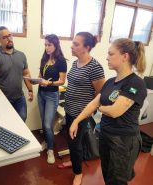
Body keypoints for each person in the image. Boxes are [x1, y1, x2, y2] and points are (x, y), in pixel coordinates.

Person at [69, 38, 147, 185]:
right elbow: (93, 103)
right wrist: (76, 121)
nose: (107, 58)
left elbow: (114, 111)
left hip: (124, 140)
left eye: (111, 54)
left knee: (117, 180)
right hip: (106, 135)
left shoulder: (135, 83)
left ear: (125, 56)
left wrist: (99, 107)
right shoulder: (111, 82)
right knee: (107, 175)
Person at [57, 32, 105, 185]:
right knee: (72, 139)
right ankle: (73, 160)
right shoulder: (75, 63)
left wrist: (88, 110)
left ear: (87, 47)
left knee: (74, 142)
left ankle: (78, 173)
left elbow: (100, 94)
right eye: (73, 43)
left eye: (76, 44)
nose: (72, 46)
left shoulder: (95, 67)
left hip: (81, 113)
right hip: (70, 108)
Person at [0, 26, 33, 122]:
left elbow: (26, 74)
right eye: (5, 37)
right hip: (2, 99)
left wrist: (30, 90)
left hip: (19, 98)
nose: (9, 39)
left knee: (22, 121)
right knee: (6, 123)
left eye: (10, 35)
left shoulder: (21, 55)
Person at [31, 34, 67, 164]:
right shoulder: (44, 59)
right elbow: (41, 76)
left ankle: (50, 150)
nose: (47, 48)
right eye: (45, 45)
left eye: (49, 45)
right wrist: (36, 81)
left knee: (47, 124)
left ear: (55, 46)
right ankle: (46, 142)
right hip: (41, 93)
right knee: (43, 122)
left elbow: (62, 81)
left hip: (52, 95)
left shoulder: (61, 61)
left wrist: (50, 83)